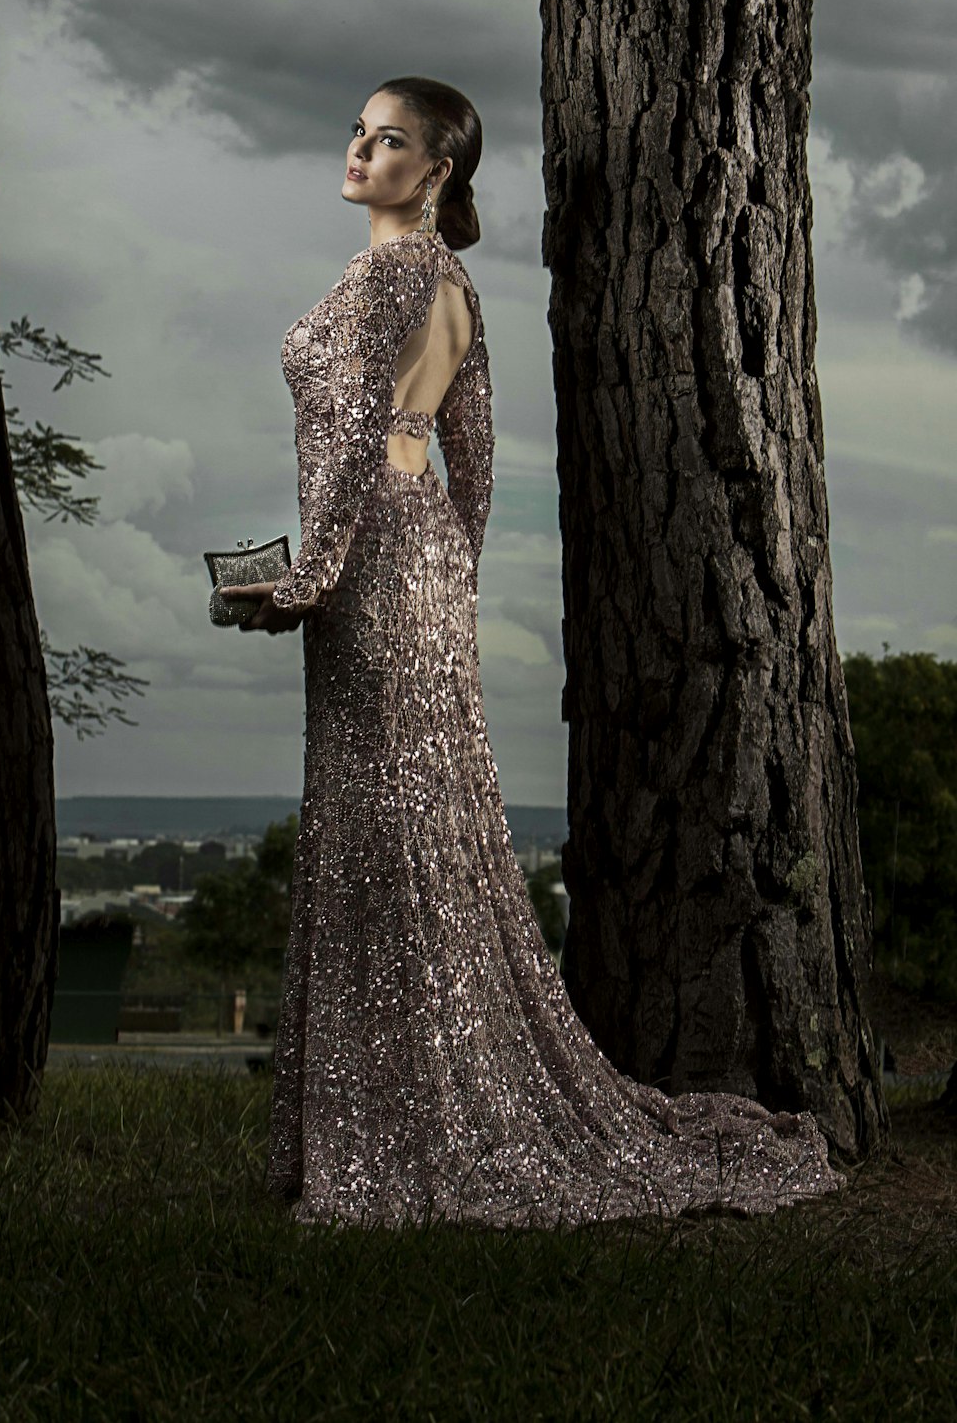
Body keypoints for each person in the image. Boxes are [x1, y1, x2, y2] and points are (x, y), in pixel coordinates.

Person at [220, 76, 844, 1228]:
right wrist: (449, 569)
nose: (362, 150)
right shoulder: (456, 285)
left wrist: (307, 579)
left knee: (381, 834)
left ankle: (389, 1142)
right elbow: (476, 455)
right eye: (359, 132)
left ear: (437, 168)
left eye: (390, 139)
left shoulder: (395, 273)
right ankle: (416, 1108)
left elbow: (357, 440)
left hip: (367, 565)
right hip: (422, 563)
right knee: (413, 827)